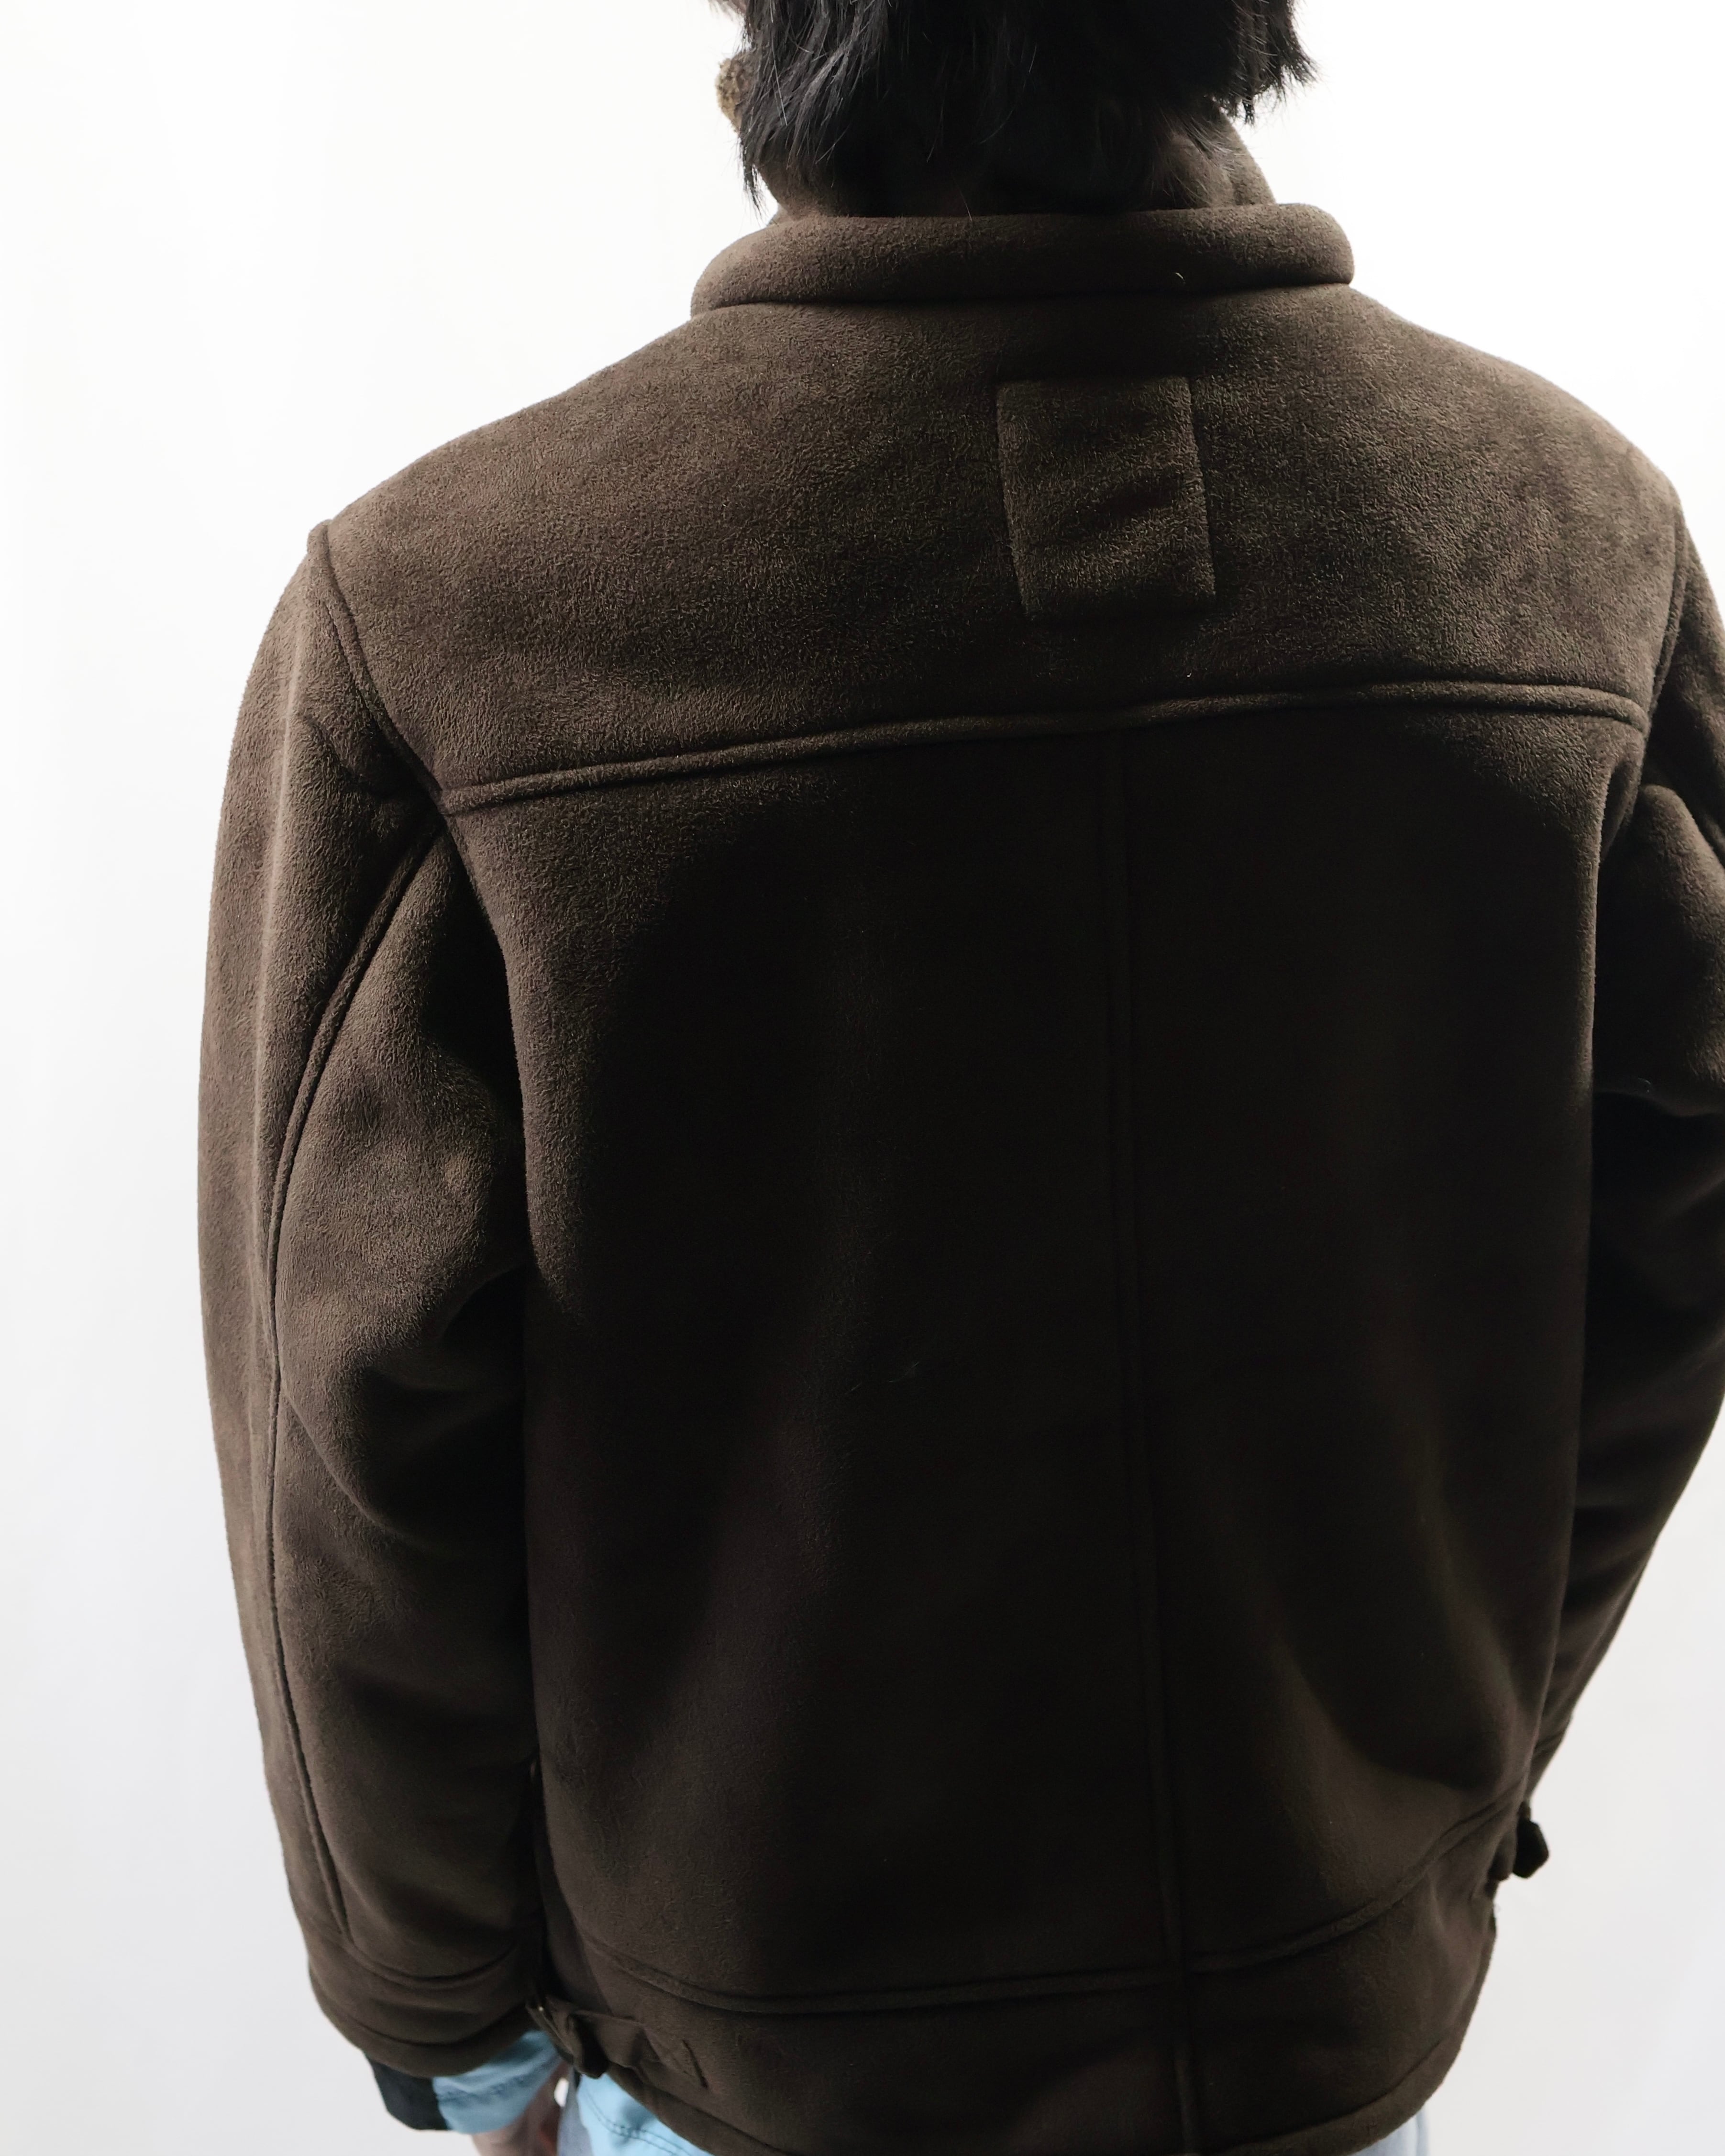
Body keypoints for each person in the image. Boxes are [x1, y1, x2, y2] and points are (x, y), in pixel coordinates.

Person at [197, 2, 1725, 2153]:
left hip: (753, 2063)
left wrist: (445, 2011)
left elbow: (343, 1446)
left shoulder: (445, 616)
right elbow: (1677, 1246)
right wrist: (1432, 1771)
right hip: (1318, 2014)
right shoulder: (1565, 541)